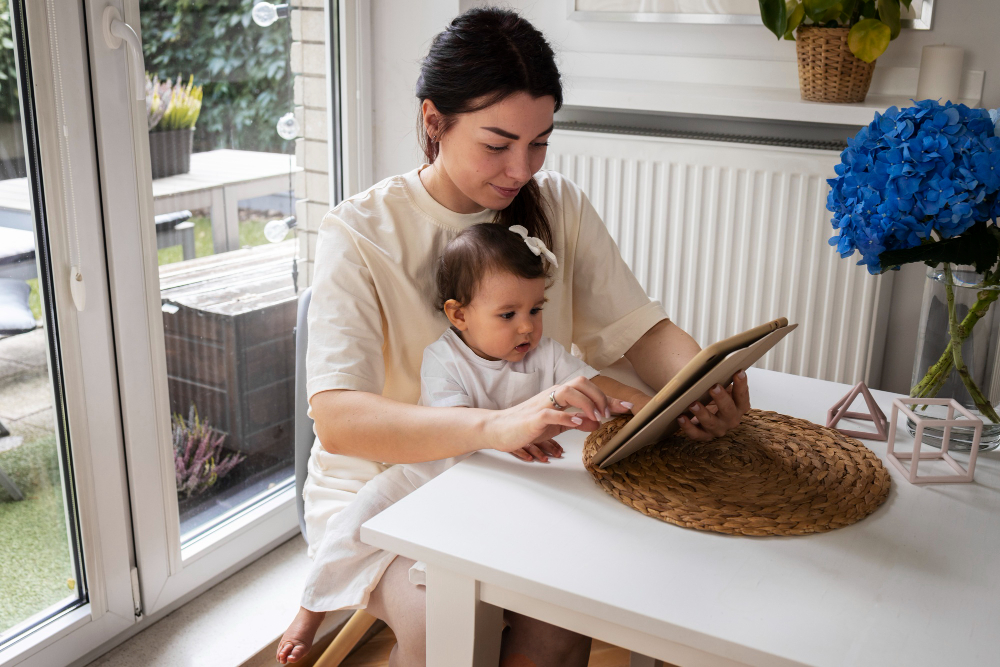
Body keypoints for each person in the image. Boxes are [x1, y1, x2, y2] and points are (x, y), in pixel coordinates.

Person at [284, 7, 751, 666]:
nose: (521, 169)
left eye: (540, 143)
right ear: (432, 121)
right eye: (498, 144)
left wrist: (710, 383)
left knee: (559, 625)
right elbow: (339, 421)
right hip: (389, 489)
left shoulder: (558, 204)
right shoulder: (359, 234)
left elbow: (642, 331)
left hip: (525, 478)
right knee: (445, 624)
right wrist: (492, 425)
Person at [278, 223, 650, 664]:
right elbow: (452, 428)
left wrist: (639, 410)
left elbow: (586, 388)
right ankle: (310, 610)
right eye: (508, 315)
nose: (527, 327)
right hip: (436, 474)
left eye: (537, 309)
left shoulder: (546, 353)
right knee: (360, 517)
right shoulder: (444, 358)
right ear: (460, 315)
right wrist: (509, 430)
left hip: (512, 483)